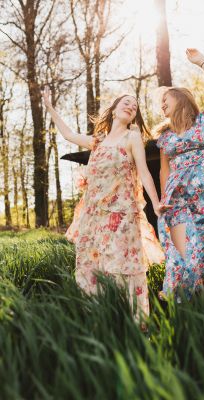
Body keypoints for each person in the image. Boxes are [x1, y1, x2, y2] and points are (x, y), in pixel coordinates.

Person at [42, 87, 169, 320]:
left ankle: (133, 323)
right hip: (93, 218)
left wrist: (156, 203)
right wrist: (50, 108)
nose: (131, 106)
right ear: (113, 110)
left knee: (122, 267)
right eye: (126, 102)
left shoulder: (132, 137)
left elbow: (144, 172)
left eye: (135, 106)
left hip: (121, 215)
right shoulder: (98, 141)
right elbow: (69, 134)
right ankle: (99, 320)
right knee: (92, 266)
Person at [155, 48, 204, 302]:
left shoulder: (203, 124)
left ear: (181, 99)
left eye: (166, 98)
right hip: (179, 203)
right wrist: (164, 199)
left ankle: (203, 309)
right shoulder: (164, 137)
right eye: (160, 102)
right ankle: (172, 296)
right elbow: (165, 169)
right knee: (183, 253)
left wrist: (202, 61)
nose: (161, 103)